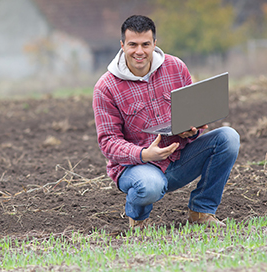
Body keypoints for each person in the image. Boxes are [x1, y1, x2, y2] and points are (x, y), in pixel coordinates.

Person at [92, 15, 239, 229]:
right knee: (150, 185)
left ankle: (201, 211)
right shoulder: (106, 87)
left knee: (228, 138)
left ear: (154, 44)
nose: (139, 52)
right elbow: (108, 142)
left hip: (179, 158)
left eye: (145, 44)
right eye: (132, 45)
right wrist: (143, 155)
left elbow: (194, 116)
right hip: (137, 167)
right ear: (122, 45)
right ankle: (139, 220)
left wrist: (192, 131)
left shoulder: (176, 68)